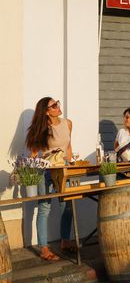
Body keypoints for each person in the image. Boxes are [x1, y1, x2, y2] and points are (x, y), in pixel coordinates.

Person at [25, 97, 74, 261]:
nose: (58, 106)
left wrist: (71, 163)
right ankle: (44, 248)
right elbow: (33, 153)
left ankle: (65, 242)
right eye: (54, 105)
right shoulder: (42, 128)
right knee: (44, 208)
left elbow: (67, 146)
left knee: (67, 206)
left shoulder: (67, 123)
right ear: (46, 112)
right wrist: (28, 172)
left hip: (63, 170)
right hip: (45, 171)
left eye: (57, 103)